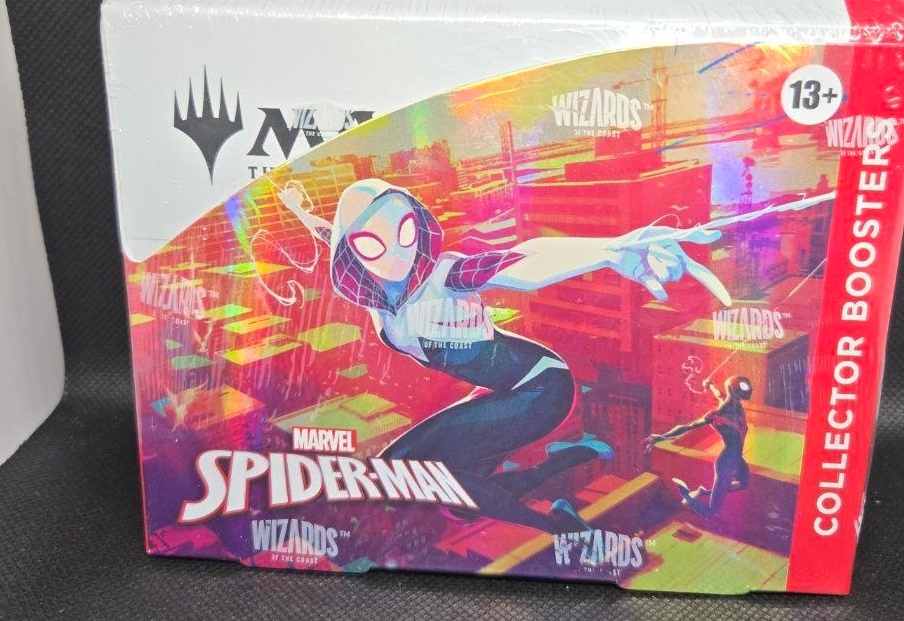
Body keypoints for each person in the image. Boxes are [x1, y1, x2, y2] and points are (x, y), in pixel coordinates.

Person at [273, 177, 729, 534]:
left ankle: (556, 524)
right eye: (371, 245)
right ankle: (564, 460)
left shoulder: (447, 276)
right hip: (503, 390)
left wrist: (608, 252)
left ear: (419, 223)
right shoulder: (377, 298)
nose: (396, 253)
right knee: (454, 493)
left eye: (405, 231)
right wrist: (299, 211)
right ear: (352, 253)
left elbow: (520, 262)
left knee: (397, 470)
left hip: (542, 388)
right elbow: (332, 235)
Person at [644, 375, 753, 517]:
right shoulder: (717, 415)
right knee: (710, 512)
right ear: (735, 392)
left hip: (738, 460)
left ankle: (704, 491)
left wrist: (710, 385)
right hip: (726, 462)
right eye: (741, 391)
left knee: (744, 483)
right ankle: (686, 494)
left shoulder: (736, 406)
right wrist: (662, 437)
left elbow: (720, 395)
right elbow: (689, 427)